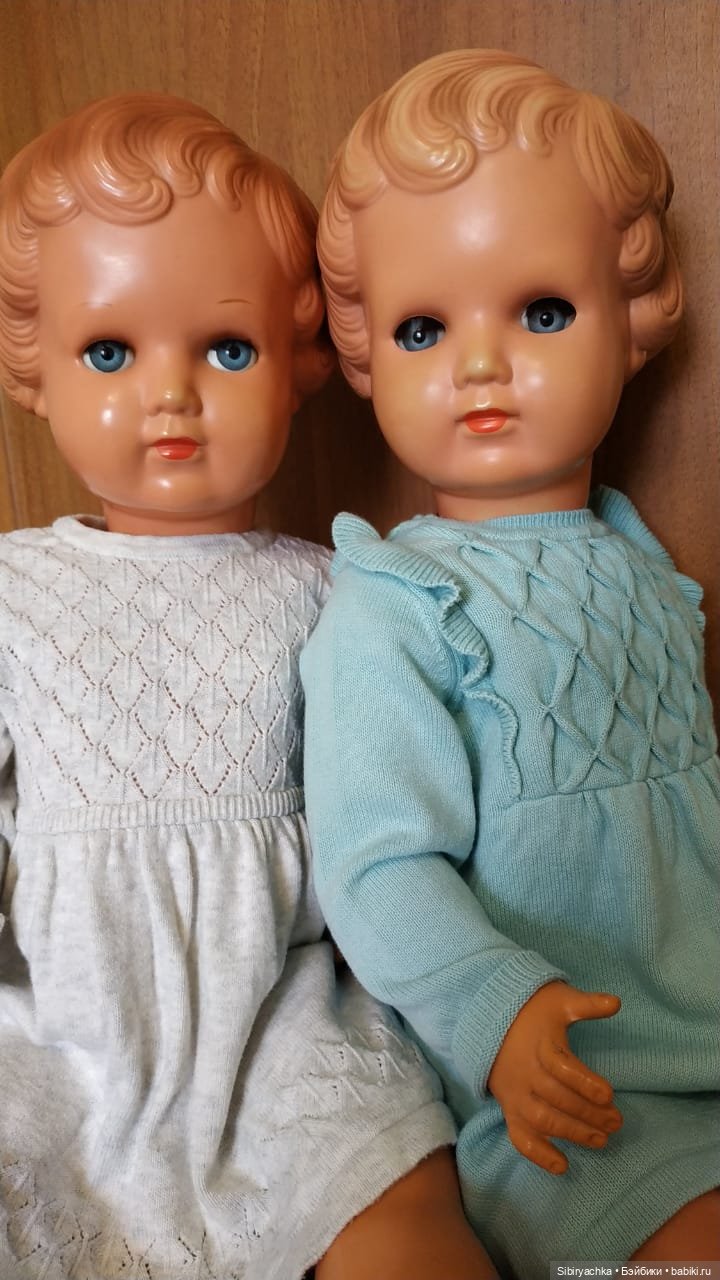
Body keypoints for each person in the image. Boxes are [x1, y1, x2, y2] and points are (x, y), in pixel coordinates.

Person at [0, 92, 497, 1280]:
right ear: (36, 370)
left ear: (298, 365)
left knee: (401, 1203)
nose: (170, 392)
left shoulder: (337, 586)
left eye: (227, 350)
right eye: (110, 351)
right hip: (63, 1022)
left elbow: (401, 795)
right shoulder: (13, 585)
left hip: (286, 1010)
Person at [301, 49, 720, 1275]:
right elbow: (377, 862)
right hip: (570, 1100)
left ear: (633, 319)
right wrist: (500, 1010)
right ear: (367, 354)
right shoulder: (395, 603)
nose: (478, 363)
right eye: (424, 328)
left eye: (540, 312)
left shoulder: (643, 562)